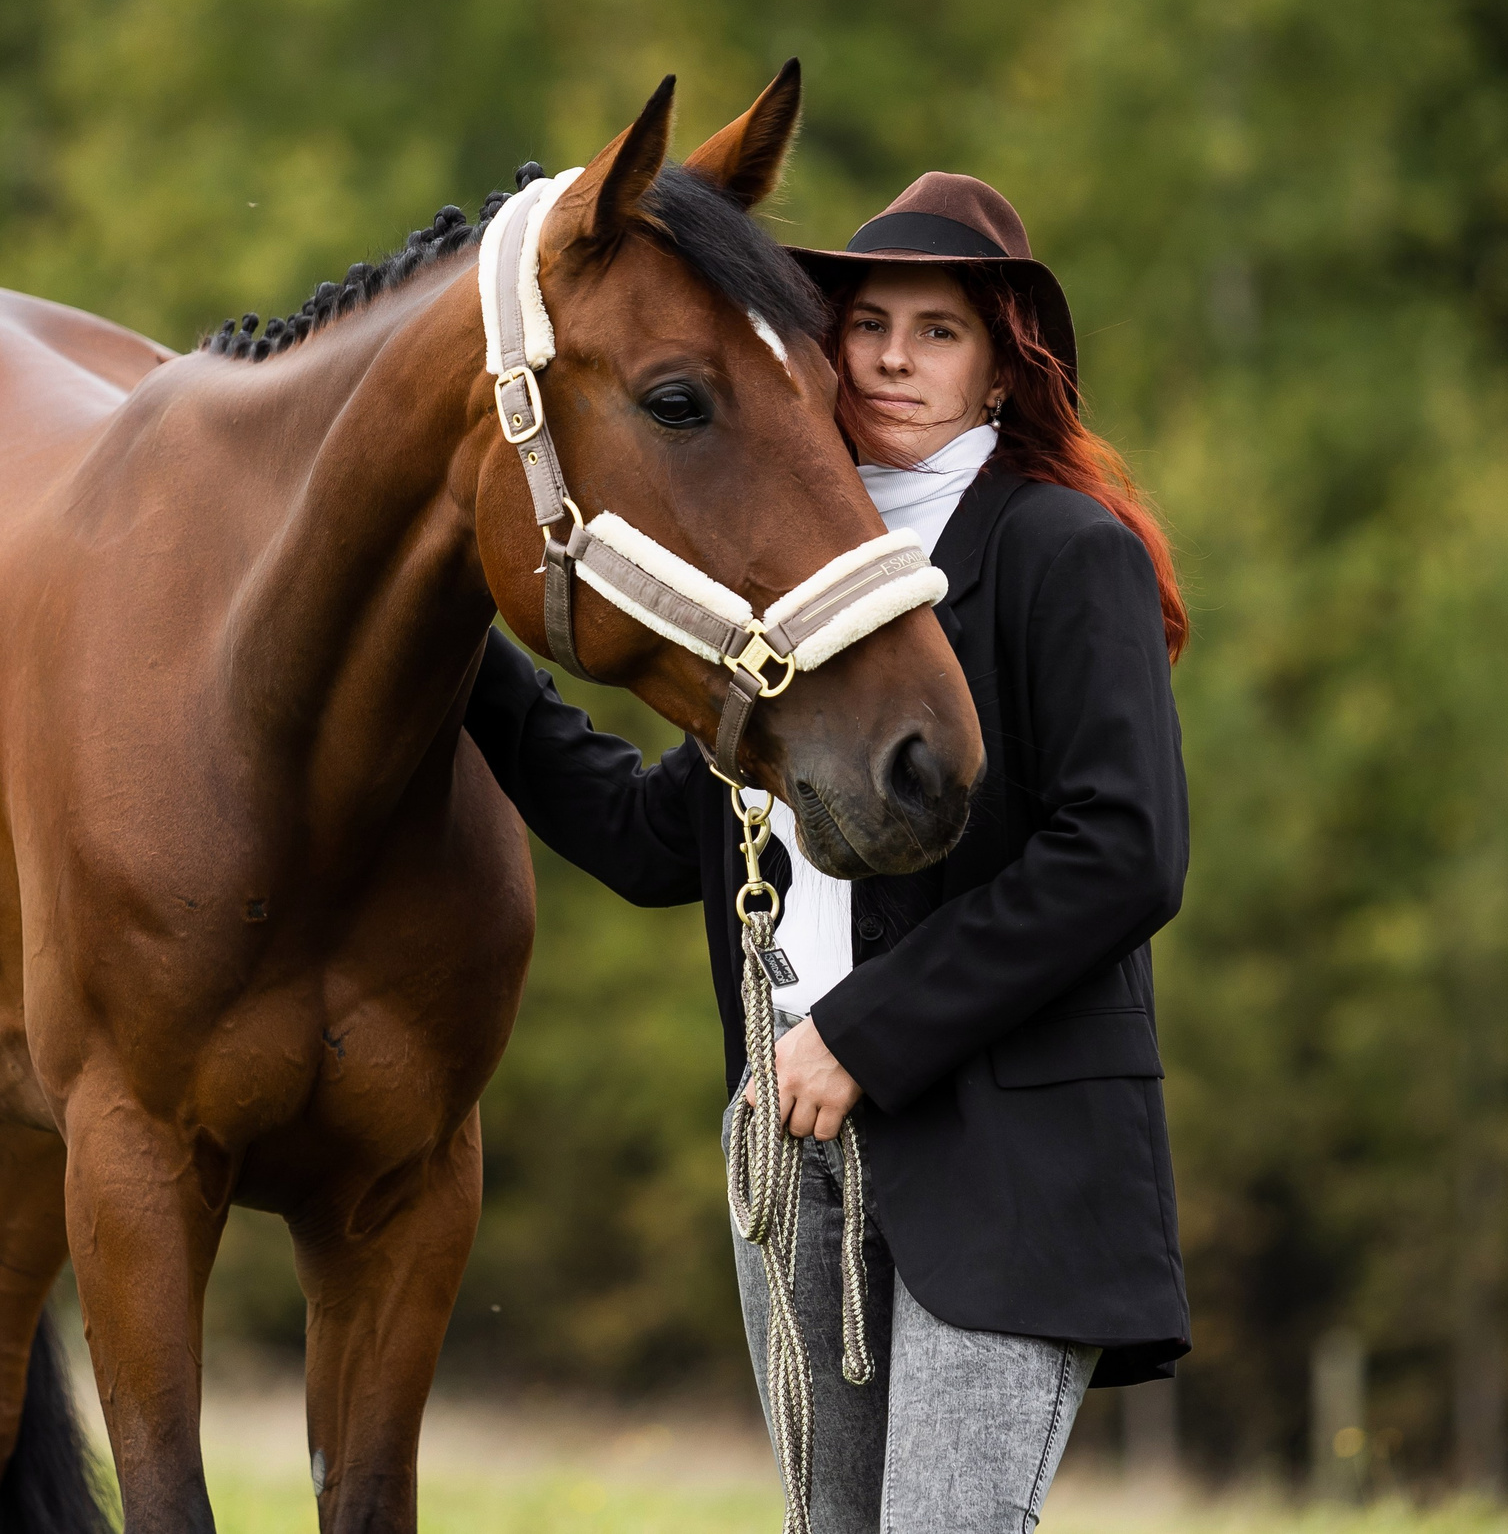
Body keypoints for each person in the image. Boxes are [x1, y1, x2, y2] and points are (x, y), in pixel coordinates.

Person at [463, 173, 1191, 1532]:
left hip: (1005, 1149)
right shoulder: (797, 569)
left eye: (940, 332)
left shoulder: (1060, 549)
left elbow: (1126, 854)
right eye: (872, 327)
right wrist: (464, 645)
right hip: (796, 1149)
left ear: (1000, 371)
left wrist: (862, 1035)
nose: (898, 361)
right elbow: (642, 839)